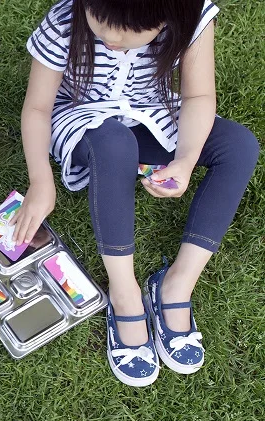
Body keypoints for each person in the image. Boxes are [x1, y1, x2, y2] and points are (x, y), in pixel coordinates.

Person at [14, 0, 259, 386]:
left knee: (240, 145)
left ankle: (178, 282)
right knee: (114, 144)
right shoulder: (65, 20)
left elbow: (198, 98)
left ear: (168, 16)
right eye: (102, 23)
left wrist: (186, 158)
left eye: (127, 34)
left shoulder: (192, 18)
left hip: (151, 113)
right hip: (83, 118)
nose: (111, 39)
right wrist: (40, 180)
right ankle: (124, 292)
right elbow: (38, 108)